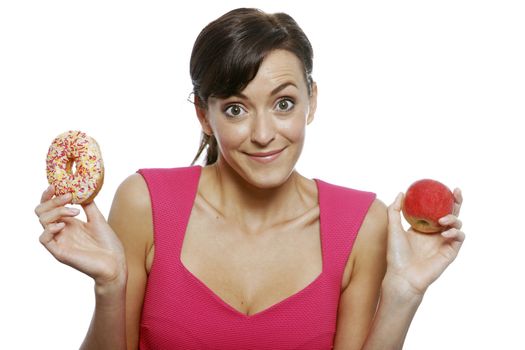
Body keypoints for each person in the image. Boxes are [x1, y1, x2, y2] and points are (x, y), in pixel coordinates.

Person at [34, 7, 465, 350]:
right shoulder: (145, 203)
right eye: (236, 109)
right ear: (204, 115)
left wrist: (404, 294)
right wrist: (111, 286)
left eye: (284, 103)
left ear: (311, 102)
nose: (263, 135)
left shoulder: (362, 224)